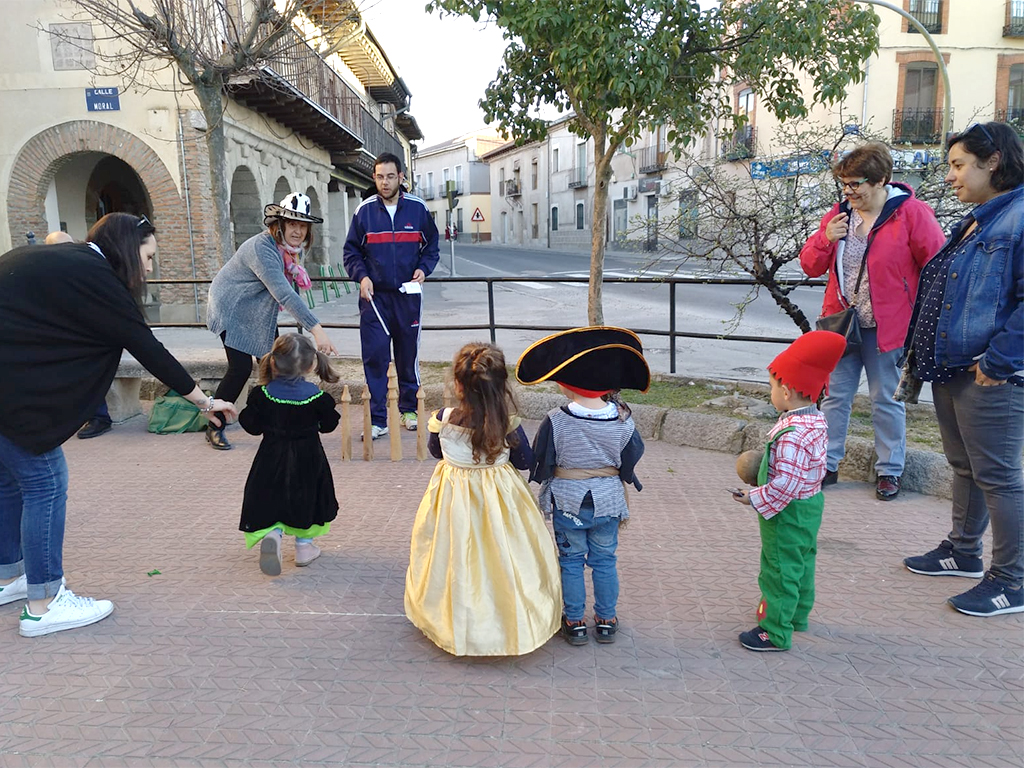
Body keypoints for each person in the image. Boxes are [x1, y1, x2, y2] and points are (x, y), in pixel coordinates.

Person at [0, 212, 236, 636]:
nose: (148, 269)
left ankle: (9, 577)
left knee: (9, 482)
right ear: (128, 249)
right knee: (45, 484)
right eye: (147, 258)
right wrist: (204, 402)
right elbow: (148, 348)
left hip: (8, 389)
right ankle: (45, 603)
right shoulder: (97, 279)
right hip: (15, 397)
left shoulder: (63, 261)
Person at [901, 121, 1024, 617]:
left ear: (992, 162)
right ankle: (963, 551)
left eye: (958, 165)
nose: (950, 176)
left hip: (988, 373)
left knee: (998, 477)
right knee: (965, 467)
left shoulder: (1017, 218)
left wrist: (998, 362)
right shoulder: (979, 219)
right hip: (951, 367)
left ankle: (1012, 581)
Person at [800, 141, 945, 501]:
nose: (848, 192)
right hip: (842, 324)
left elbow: (938, 265)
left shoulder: (911, 214)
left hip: (889, 326)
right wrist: (823, 238)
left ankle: (889, 471)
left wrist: (923, 315)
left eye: (855, 184)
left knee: (885, 399)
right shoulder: (839, 216)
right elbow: (810, 266)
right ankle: (827, 465)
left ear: (881, 180)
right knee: (835, 397)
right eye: (844, 185)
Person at [404, 342, 560, 656]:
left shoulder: (444, 418)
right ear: (501, 385)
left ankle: (455, 618)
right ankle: (509, 616)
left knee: (454, 552)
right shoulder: (507, 425)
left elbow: (437, 451)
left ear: (458, 384)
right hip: (502, 498)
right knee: (506, 552)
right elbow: (525, 461)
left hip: (453, 497)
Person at [518, 327, 648, 646]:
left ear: (565, 384)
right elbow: (632, 455)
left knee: (571, 561)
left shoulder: (556, 419)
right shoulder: (623, 420)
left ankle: (574, 620)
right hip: (608, 502)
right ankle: (606, 618)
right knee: (605, 561)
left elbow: (541, 457)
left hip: (567, 501)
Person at [731, 331, 847, 652]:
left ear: (786, 390)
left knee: (779, 567)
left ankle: (775, 630)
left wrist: (752, 498)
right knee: (802, 559)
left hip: (788, 513)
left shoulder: (793, 435)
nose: (770, 392)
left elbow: (786, 485)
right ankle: (796, 614)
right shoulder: (816, 422)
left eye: (771, 386)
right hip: (811, 507)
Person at [207, 192, 339, 451]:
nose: (298, 231)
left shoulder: (288, 252)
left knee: (273, 363)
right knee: (240, 368)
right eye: (292, 224)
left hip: (256, 310)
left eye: (303, 226)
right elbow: (283, 293)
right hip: (231, 308)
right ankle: (215, 425)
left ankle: (274, 417)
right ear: (278, 225)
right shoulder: (262, 248)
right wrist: (316, 329)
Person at [343, 152, 439, 440]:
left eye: (390, 176)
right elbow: (351, 252)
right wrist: (362, 276)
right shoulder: (364, 212)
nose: (385, 182)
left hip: (408, 297)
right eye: (380, 176)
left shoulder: (418, 210)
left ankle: (409, 410)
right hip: (374, 299)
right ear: (374, 178)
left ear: (401, 177)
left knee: (407, 354)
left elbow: (432, 246)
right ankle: (377, 420)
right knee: (375, 357)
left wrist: (424, 269)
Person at [238, 333, 340, 575]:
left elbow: (251, 425)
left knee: (270, 496)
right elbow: (329, 425)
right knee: (307, 499)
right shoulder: (318, 398)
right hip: (308, 459)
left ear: (272, 362)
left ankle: (273, 533)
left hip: (270, 458)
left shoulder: (262, 395)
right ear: (312, 365)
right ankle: (304, 547)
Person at [45, 231, 116, 439]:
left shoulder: (88, 265)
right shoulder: (48, 268)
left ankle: (99, 417)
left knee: (87, 372)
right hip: (58, 332)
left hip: (86, 332)